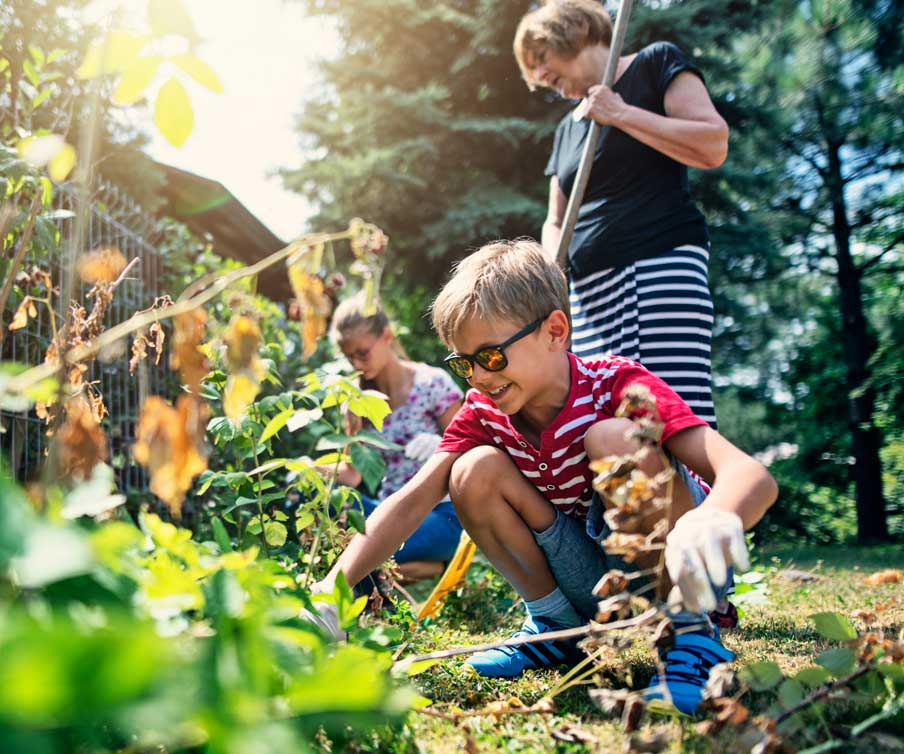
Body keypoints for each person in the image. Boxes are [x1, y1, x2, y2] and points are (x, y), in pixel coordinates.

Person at [306, 240, 776, 714]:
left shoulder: (617, 385)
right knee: (470, 471)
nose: (478, 378)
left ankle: (693, 634)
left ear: (555, 331)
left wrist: (713, 518)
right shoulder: (484, 413)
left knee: (610, 439)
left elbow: (749, 474)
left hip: (679, 561)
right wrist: (332, 589)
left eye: (490, 356)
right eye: (463, 363)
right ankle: (555, 626)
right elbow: (411, 500)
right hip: (593, 578)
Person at [515, 0, 729, 429]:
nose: (540, 79)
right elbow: (555, 219)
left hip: (658, 264)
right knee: (610, 423)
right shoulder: (568, 127)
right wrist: (550, 278)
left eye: (541, 60)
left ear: (571, 31)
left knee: (670, 415)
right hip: (590, 294)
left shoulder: (655, 63)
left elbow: (712, 143)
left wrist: (620, 114)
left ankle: (702, 495)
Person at [327, 292, 465, 583]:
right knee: (324, 505)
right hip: (386, 513)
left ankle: (368, 568)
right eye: (348, 356)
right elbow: (353, 475)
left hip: (439, 512)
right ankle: (424, 569)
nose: (356, 364)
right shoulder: (358, 402)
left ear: (386, 336)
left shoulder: (431, 383)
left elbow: (474, 449)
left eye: (362, 353)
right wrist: (305, 473)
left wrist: (441, 446)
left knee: (353, 555)